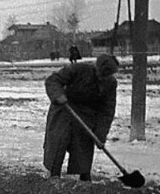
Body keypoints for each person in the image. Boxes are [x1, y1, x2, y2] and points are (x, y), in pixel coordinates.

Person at [43, 54, 120, 182]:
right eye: (102, 72)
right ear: (97, 67)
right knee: (59, 140)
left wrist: (101, 134)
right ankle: (54, 173)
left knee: (83, 145)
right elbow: (53, 80)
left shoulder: (110, 83)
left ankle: (84, 177)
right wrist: (58, 95)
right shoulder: (78, 69)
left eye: (107, 75)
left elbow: (107, 110)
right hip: (64, 108)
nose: (102, 77)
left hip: (86, 115)